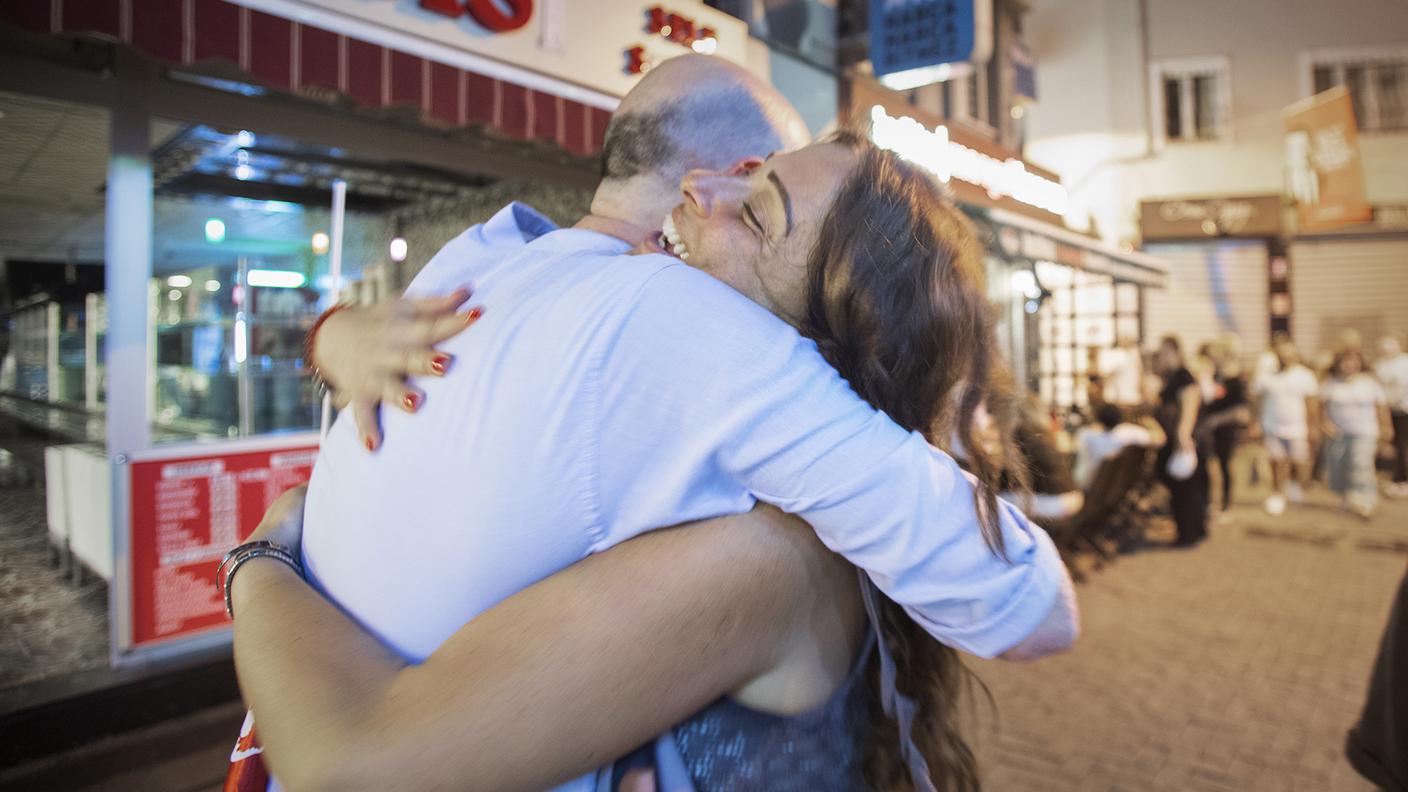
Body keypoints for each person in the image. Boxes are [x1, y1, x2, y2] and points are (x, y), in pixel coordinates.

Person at [228, 56, 1075, 792]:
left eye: (757, 205)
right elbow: (1024, 601)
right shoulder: (607, 299)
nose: (707, 194)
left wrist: (265, 551)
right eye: (747, 174)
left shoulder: (498, 260)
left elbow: (1024, 599)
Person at [1320, 348, 1391, 519]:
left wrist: (1386, 428)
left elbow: (1381, 407)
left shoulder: (1369, 383)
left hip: (1364, 432)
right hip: (1338, 434)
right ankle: (1346, 497)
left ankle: (1365, 500)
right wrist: (1325, 424)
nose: (1350, 364)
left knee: (1360, 465)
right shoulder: (1329, 384)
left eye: (1354, 360)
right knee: (1339, 466)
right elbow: (1320, 408)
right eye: (1346, 360)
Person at [1251, 339, 1319, 516]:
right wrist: (1256, 422)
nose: (1285, 359)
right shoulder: (1266, 376)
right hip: (1272, 426)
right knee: (1276, 461)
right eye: (1281, 355)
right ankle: (1276, 492)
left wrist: (1313, 426)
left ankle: (1294, 484)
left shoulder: (1305, 376)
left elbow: (1311, 403)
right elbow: (1257, 400)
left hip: (1298, 427)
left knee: (1298, 461)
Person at [1154, 336, 1208, 547]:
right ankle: (1192, 530)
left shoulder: (1183, 377)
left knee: (1186, 489)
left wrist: (1183, 436)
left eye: (1164, 352)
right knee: (1190, 488)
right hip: (1182, 439)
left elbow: (1189, 406)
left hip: (1183, 440)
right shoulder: (1173, 377)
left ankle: (1188, 533)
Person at [1200, 346, 1250, 512]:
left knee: (1224, 465)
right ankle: (1207, 501)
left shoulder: (1234, 381)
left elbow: (1240, 409)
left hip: (1225, 430)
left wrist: (1217, 420)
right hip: (1208, 430)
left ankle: (1225, 501)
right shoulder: (1209, 378)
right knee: (1206, 466)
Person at [1073, 403, 1163, 490]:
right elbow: (1160, 439)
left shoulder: (1087, 435)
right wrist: (1149, 420)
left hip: (1088, 486)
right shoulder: (1126, 433)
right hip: (1114, 487)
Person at [1376, 335, 1408, 499]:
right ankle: (1393, 476)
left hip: (1402, 410)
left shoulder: (1405, 363)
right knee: (1390, 444)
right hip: (1386, 410)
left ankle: (1401, 479)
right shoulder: (1381, 364)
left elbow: (1401, 387)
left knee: (1401, 445)